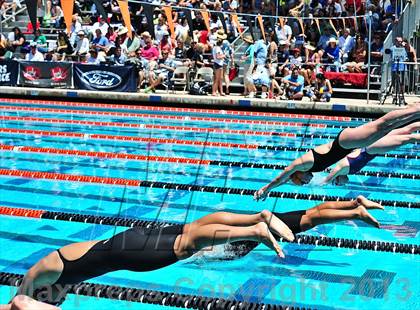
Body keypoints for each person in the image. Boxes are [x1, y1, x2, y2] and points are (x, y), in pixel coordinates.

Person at [1, 210, 295, 307]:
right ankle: (257, 218)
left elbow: (20, 301)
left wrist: (20, 300)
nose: (61, 300)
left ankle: (254, 231)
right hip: (127, 240)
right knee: (194, 229)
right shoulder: (54, 271)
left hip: (125, 253)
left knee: (190, 243)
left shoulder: (38, 279)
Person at [254, 104, 420, 199]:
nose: (307, 181)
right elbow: (284, 181)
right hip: (349, 144)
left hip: (345, 142)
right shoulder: (308, 168)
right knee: (386, 128)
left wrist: (265, 189)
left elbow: (282, 176)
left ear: (298, 174)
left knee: (381, 123)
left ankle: (415, 109)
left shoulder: (303, 164)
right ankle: (416, 112)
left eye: (303, 181)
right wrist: (271, 191)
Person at [322, 122, 420, 185]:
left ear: (336, 178)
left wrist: (322, 183)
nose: (341, 185)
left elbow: (327, 178)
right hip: (371, 147)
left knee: (408, 138)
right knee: (407, 130)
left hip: (372, 148)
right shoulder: (345, 169)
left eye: (336, 183)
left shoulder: (341, 167)